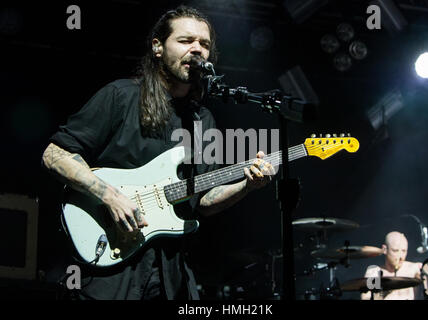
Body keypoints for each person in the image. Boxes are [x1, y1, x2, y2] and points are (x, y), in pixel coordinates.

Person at [41, 6, 274, 300]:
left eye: (204, 44)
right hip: (110, 272)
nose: (197, 49)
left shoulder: (204, 121)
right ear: (158, 48)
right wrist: (109, 196)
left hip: (171, 276)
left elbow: (203, 200)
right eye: (186, 40)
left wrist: (246, 185)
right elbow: (55, 154)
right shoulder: (121, 96)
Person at [361, 231, 422, 300]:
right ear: (384, 249)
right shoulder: (374, 271)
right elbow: (366, 298)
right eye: (395, 251)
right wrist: (384, 292)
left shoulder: (413, 268)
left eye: (404, 251)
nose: (400, 256)